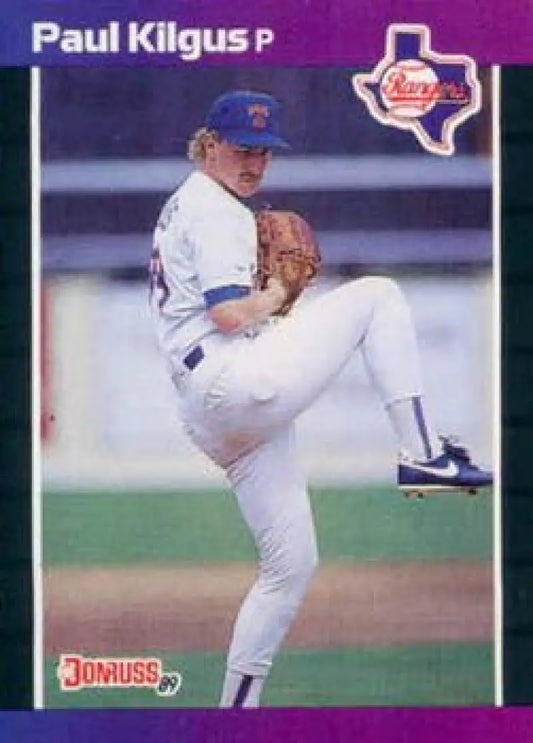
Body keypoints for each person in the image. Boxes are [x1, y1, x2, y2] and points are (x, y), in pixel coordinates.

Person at [149, 90, 492, 707]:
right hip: (231, 379)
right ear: (209, 144)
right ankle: (422, 454)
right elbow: (228, 313)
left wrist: (270, 313)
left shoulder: (188, 201)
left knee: (291, 566)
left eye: (264, 151)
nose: (254, 162)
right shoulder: (215, 209)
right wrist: (279, 294)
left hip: (213, 409)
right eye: (241, 148)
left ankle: (236, 713)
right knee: (379, 296)